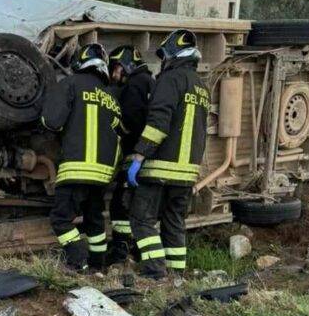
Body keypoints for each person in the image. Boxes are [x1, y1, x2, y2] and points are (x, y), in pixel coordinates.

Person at [126, 29, 210, 280]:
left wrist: (139, 157)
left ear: (173, 55)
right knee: (174, 221)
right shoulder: (202, 86)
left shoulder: (170, 79)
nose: (163, 60)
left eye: (165, 55)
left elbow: (158, 123)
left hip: (161, 167)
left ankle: (155, 272)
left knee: (141, 218)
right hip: (187, 173)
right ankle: (176, 274)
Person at [41, 43, 124, 272]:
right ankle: (99, 265)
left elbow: (51, 121)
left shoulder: (70, 84)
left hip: (76, 169)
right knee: (94, 220)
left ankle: (78, 261)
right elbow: (119, 136)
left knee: (60, 219)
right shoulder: (112, 99)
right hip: (102, 175)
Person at [105, 45, 155, 265]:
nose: (115, 75)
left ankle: (120, 252)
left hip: (136, 154)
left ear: (126, 65)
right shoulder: (150, 83)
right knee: (138, 208)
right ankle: (136, 252)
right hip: (149, 155)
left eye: (116, 69)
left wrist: (117, 127)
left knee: (120, 205)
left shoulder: (134, 85)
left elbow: (131, 120)